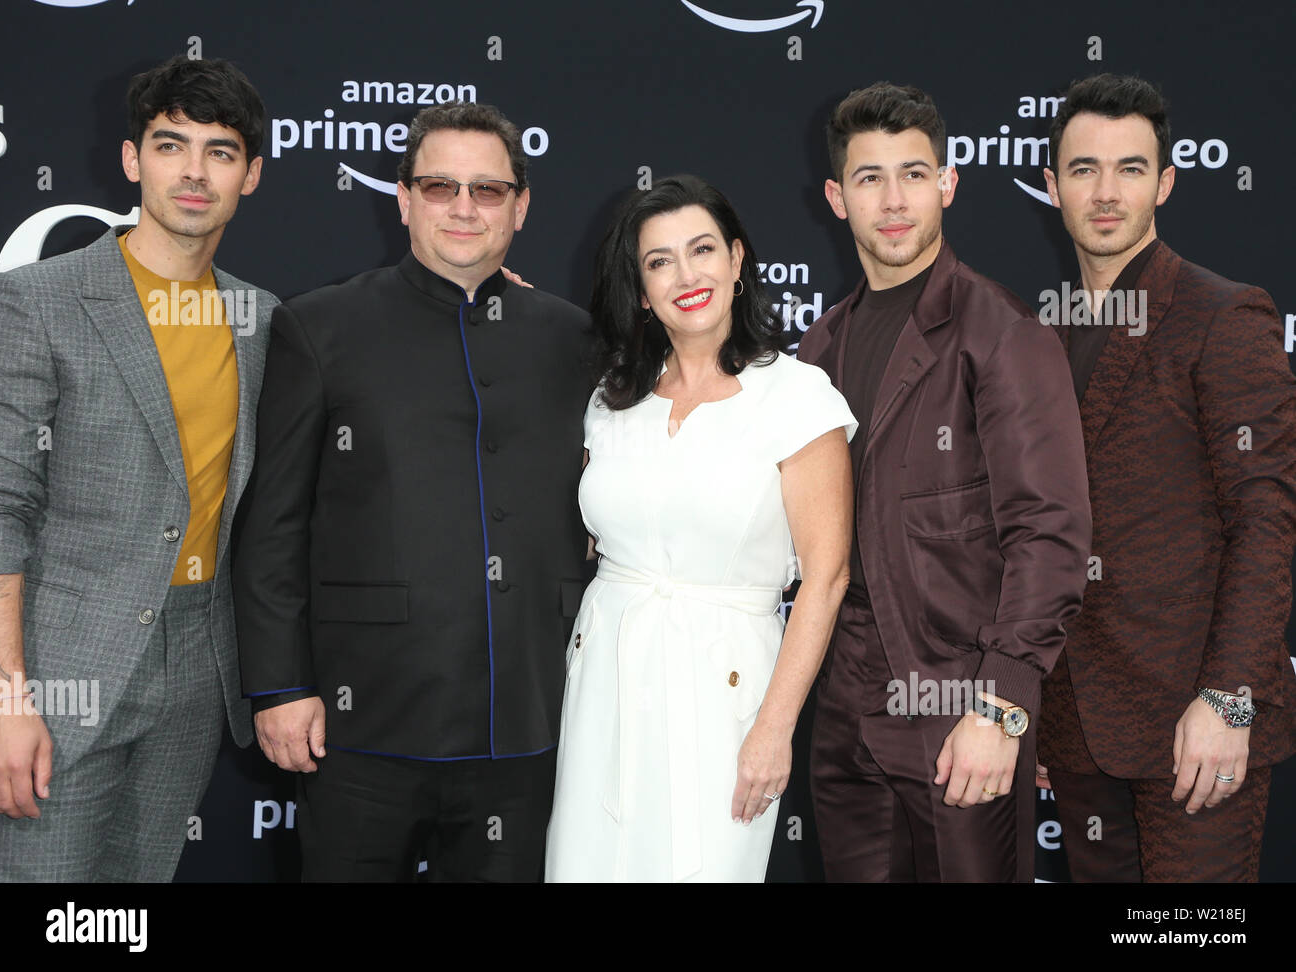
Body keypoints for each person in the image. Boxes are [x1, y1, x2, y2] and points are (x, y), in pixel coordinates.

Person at [232, 102, 591, 882]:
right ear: (403, 200)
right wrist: (280, 686)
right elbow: (273, 527)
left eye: (488, 190)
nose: (464, 207)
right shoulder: (318, 327)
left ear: (521, 207)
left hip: (529, 723)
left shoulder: (577, 340)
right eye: (439, 187)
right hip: (361, 725)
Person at [798, 82, 1091, 882]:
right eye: (869, 178)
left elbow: (1051, 536)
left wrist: (1001, 706)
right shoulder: (817, 352)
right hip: (843, 716)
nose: (894, 201)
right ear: (836, 197)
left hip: (959, 708)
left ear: (948, 183)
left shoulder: (1002, 333)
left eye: (914, 174)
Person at [0, 56, 274, 881]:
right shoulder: (37, 302)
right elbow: (2, 505)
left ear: (250, 176)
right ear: (132, 161)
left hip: (196, 667)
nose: (193, 171)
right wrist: (8, 698)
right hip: (61, 670)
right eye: (170, 145)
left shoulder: (262, 319)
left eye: (220, 152)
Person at [544, 175, 855, 882]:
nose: (687, 276)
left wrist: (774, 729)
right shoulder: (610, 400)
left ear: (738, 261)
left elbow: (827, 578)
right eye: (659, 261)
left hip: (729, 690)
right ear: (641, 287)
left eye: (703, 250)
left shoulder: (798, 396)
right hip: (605, 679)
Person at [1037, 73, 1296, 882]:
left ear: (1167, 183)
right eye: (1084, 169)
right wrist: (1041, 714)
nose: (1105, 193)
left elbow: (1265, 519)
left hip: (1197, 719)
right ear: (1051, 185)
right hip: (1078, 723)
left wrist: (1229, 698)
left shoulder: (1225, 315)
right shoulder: (1037, 334)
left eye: (1130, 169)